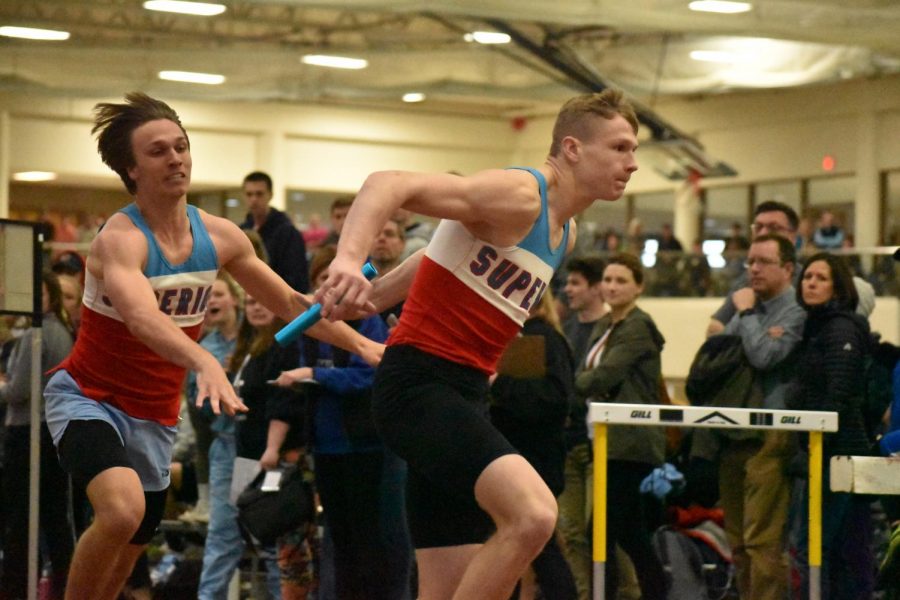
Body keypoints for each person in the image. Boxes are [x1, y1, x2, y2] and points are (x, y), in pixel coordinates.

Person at [41, 92, 384, 600]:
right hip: (89, 397)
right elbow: (140, 317)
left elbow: (292, 304)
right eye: (158, 151)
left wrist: (364, 345)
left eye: (181, 146)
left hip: (154, 415)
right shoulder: (121, 240)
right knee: (120, 510)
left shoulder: (222, 236)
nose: (176, 158)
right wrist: (203, 359)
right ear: (132, 170)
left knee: (132, 542)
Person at [314, 88, 640, 599]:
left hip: (464, 394)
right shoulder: (521, 194)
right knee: (534, 516)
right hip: (418, 388)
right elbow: (387, 183)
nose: (633, 163)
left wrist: (374, 296)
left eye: (634, 150)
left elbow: (446, 250)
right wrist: (349, 260)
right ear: (573, 149)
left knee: (445, 583)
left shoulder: (566, 232)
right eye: (621, 148)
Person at [275, 247, 412, 600]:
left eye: (332, 280)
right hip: (326, 445)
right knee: (340, 539)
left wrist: (316, 374)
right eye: (320, 281)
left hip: (367, 445)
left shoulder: (367, 317)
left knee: (376, 540)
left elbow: (370, 373)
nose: (327, 290)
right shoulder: (306, 325)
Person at [711, 234, 806, 600]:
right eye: (750, 261)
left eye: (763, 262)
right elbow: (722, 352)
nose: (753, 269)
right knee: (736, 541)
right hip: (734, 433)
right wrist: (749, 317)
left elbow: (765, 355)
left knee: (761, 542)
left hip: (772, 436)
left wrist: (747, 314)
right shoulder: (747, 305)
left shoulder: (796, 311)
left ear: (787, 268)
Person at [573, 253, 667, 600]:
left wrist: (580, 382)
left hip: (630, 443)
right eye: (608, 280)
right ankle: (656, 593)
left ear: (639, 287)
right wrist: (585, 380)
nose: (611, 287)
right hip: (604, 439)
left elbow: (603, 375)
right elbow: (591, 374)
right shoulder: (605, 325)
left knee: (599, 531)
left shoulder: (638, 325)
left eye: (621, 281)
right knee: (630, 534)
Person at [787, 252, 875, 599]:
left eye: (821, 278)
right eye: (807, 276)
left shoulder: (840, 328)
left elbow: (837, 394)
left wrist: (812, 444)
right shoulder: (816, 327)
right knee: (838, 549)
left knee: (818, 548)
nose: (810, 283)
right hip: (824, 453)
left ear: (838, 287)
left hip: (836, 454)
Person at [490, 289, 578, 600]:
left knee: (540, 548)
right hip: (512, 455)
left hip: (535, 457)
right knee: (519, 546)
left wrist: (498, 383)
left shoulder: (546, 340)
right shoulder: (507, 336)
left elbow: (554, 401)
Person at [232, 293, 318, 599]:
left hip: (278, 459)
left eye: (262, 300)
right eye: (250, 302)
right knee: (264, 542)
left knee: (288, 541)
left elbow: (284, 402)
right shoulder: (252, 347)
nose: (255, 306)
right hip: (249, 455)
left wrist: (273, 448)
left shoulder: (286, 345)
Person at [0, 270, 76, 599]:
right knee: (52, 519)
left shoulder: (39, 333)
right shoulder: (55, 331)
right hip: (49, 431)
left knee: (22, 520)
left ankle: (17, 589)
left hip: (32, 434)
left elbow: (18, 391)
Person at [559, 255, 607, 600]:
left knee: (604, 530)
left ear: (595, 287)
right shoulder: (567, 328)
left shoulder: (612, 328)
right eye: (566, 283)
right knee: (571, 531)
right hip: (571, 439)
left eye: (576, 284)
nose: (567, 290)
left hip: (603, 442)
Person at [708, 200, 800, 337]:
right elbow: (714, 329)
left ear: (793, 237)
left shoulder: (807, 279)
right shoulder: (746, 279)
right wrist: (762, 334)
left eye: (773, 227)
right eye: (758, 227)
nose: (763, 233)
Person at [240, 171, 310, 293]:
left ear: (270, 195)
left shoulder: (288, 233)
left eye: (259, 194)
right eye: (249, 194)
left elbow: (296, 277)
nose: (254, 199)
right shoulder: (241, 231)